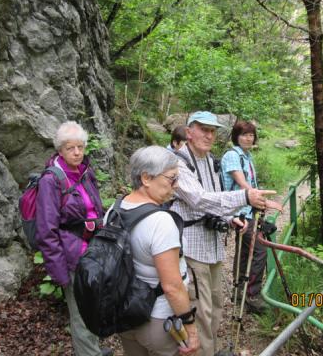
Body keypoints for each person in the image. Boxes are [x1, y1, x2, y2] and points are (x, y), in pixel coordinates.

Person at [170, 111, 277, 355]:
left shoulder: (210, 160)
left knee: (217, 305)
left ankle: (212, 349)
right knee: (201, 310)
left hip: (214, 247)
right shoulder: (177, 163)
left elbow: (215, 198)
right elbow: (198, 199)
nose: (209, 135)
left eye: (212, 131)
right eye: (203, 129)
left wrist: (231, 218)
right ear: (189, 132)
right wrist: (244, 196)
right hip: (192, 248)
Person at [110, 146, 200, 356]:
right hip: (159, 320)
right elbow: (172, 286)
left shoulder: (114, 210)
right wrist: (191, 328)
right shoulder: (161, 222)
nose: (176, 186)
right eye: (171, 179)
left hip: (126, 313)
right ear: (146, 178)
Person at [35, 121, 112, 356]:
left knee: (95, 306)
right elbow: (47, 231)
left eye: (80, 147)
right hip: (73, 256)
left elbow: (95, 210)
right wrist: (59, 271)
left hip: (94, 251)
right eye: (70, 148)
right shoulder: (51, 181)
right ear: (60, 150)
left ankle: (94, 350)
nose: (77, 152)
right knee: (80, 314)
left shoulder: (86, 172)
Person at [221, 121, 283, 314]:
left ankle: (239, 291)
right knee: (259, 251)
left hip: (249, 212)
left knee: (244, 252)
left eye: (251, 135)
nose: (249, 138)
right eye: (244, 134)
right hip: (241, 212)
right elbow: (243, 184)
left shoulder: (247, 156)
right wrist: (265, 202)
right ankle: (252, 296)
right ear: (236, 136)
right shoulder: (232, 156)